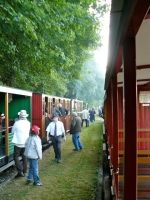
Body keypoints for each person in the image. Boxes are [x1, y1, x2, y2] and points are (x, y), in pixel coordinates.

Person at [11, 110, 30, 178]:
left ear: (20, 116)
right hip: (25, 143)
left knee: (15, 157)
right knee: (24, 157)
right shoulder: (28, 123)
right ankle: (24, 171)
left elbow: (12, 132)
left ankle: (20, 171)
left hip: (18, 143)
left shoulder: (17, 123)